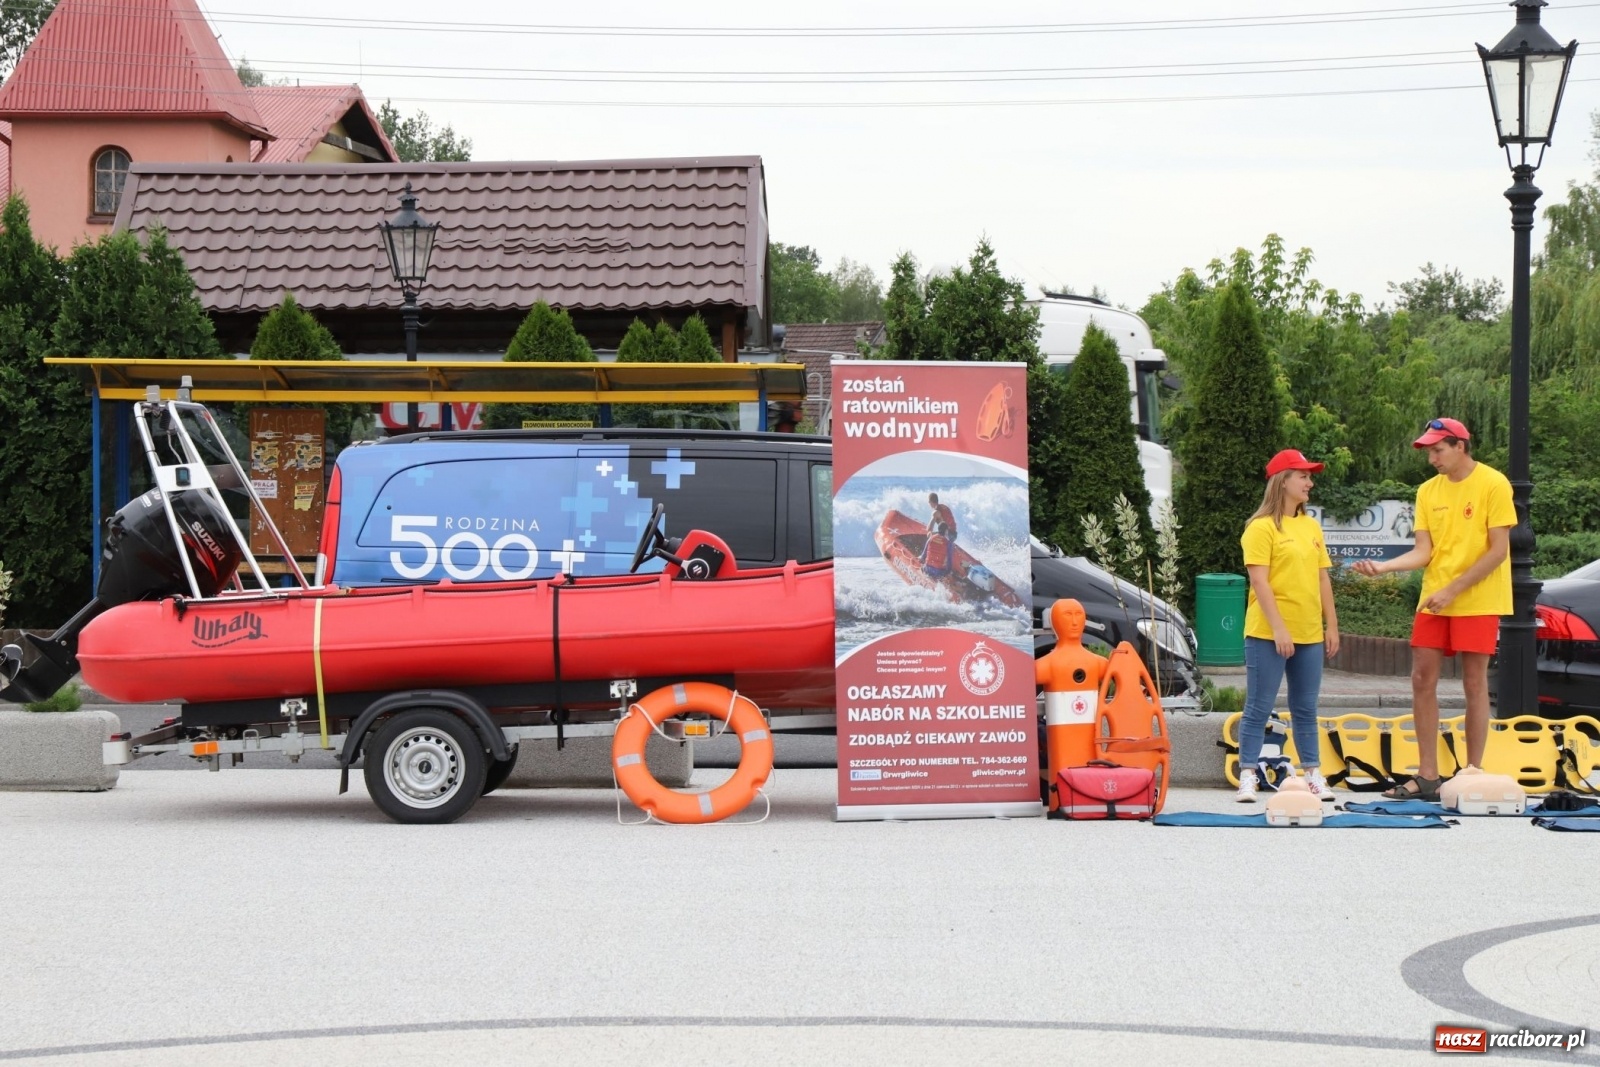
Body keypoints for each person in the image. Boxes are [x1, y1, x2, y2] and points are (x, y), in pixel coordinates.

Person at [1353, 417, 1513, 800]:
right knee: (1421, 679)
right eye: (1429, 452)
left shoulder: (1494, 483)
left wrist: (1453, 590)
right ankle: (1427, 776)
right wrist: (1384, 568)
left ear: (1461, 446)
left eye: (1438, 450)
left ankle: (1472, 773)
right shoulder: (1427, 490)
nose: (1432, 459)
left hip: (1477, 598)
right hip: (1435, 598)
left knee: (1474, 683)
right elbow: (1424, 552)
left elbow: (1498, 552)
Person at [1235, 449, 1341, 803]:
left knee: (1306, 708)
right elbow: (1259, 582)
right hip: (1267, 633)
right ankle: (1248, 774)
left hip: (1309, 632)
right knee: (1258, 706)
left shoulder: (1311, 527)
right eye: (1303, 476)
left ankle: (1313, 774)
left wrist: (1331, 625)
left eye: (1310, 477)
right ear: (1282, 481)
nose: (1310, 483)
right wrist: (1279, 628)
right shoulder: (1260, 527)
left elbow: (1322, 578)